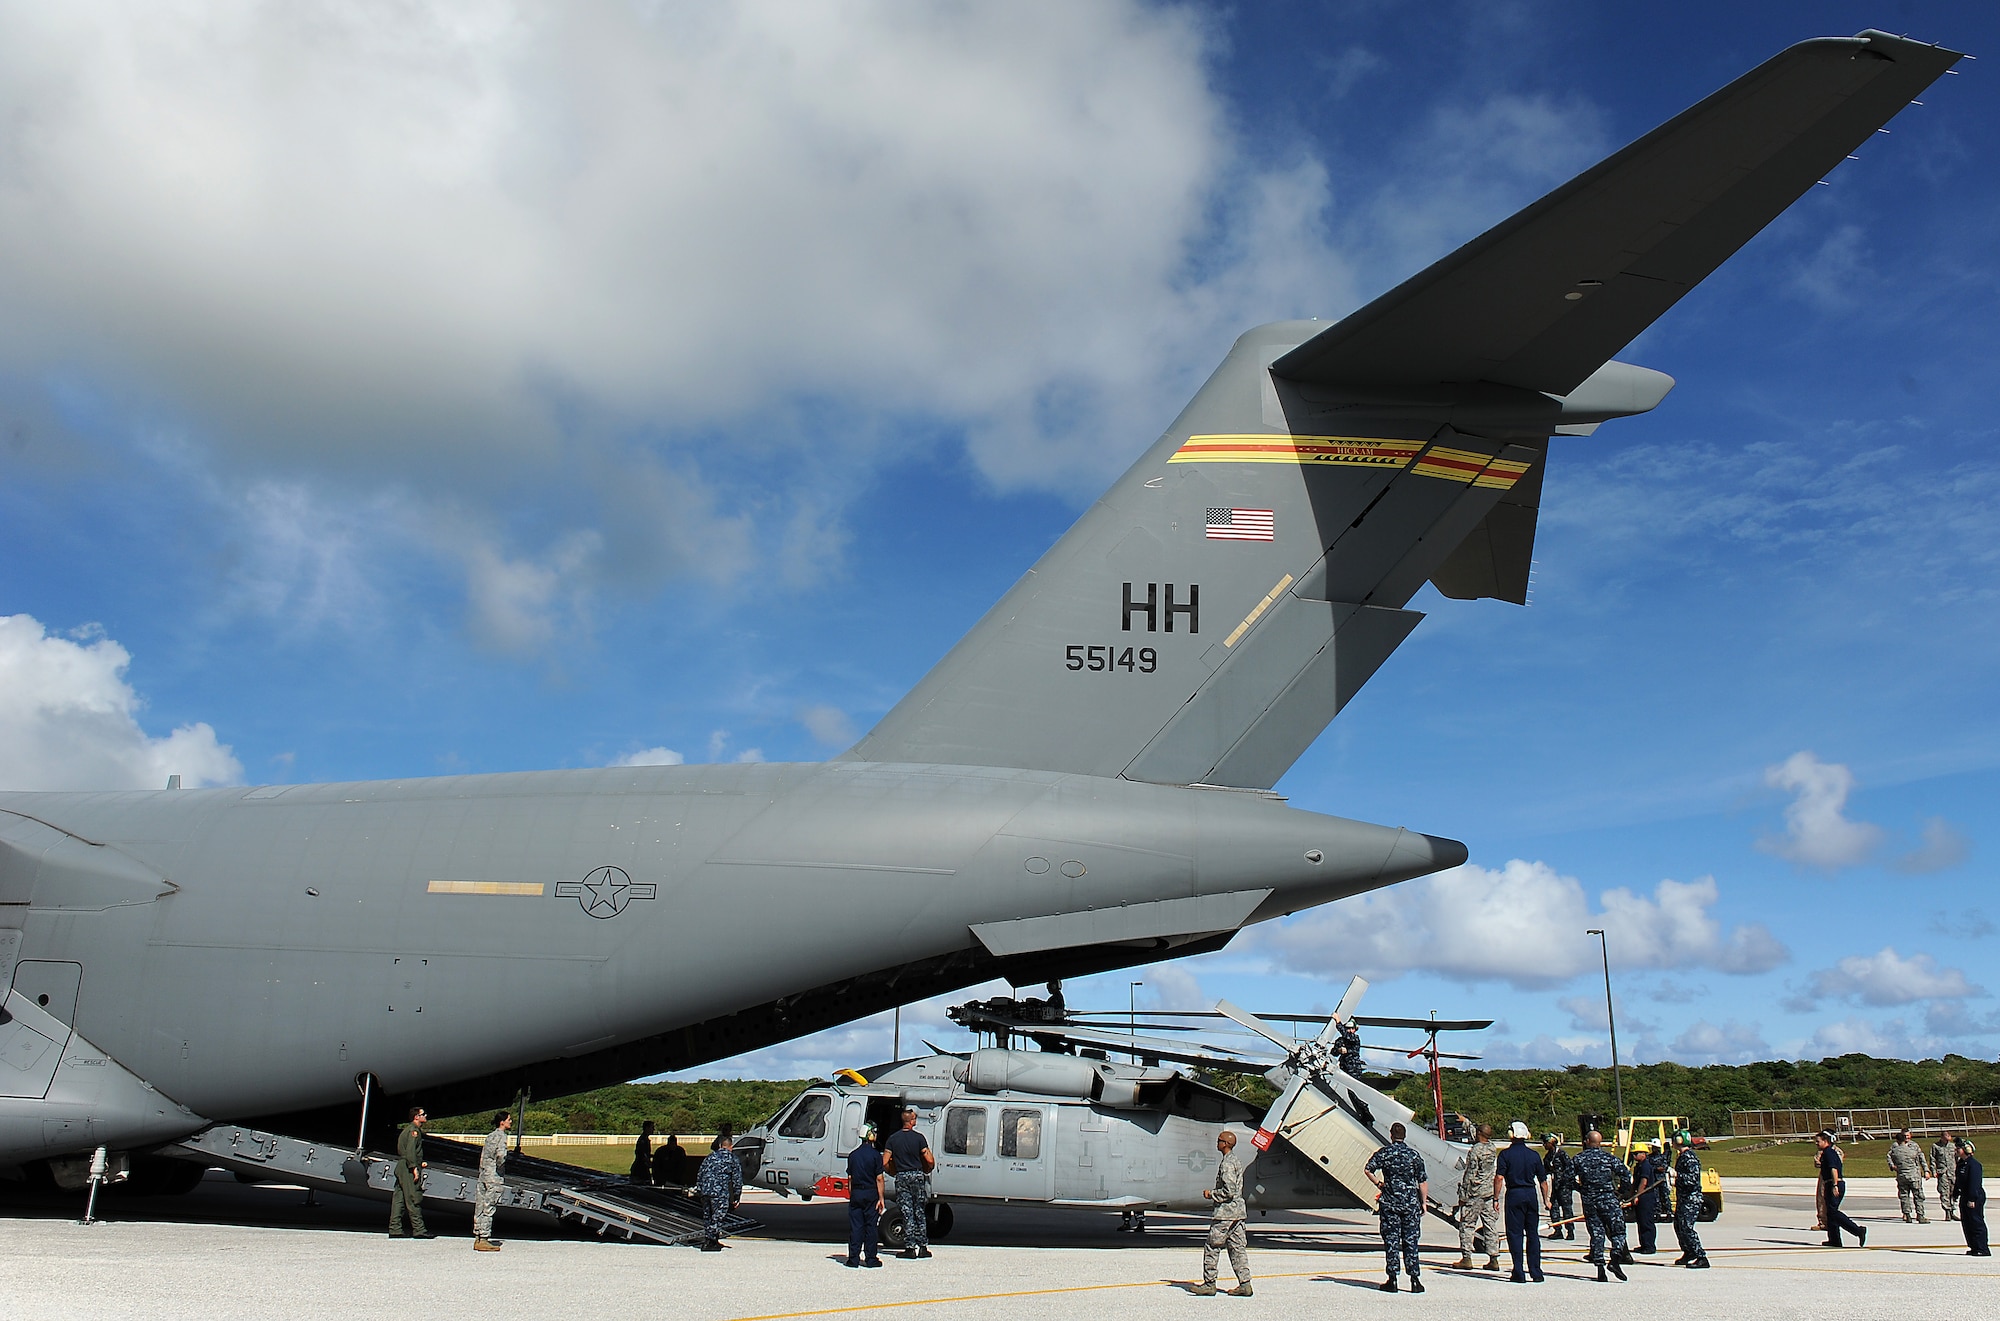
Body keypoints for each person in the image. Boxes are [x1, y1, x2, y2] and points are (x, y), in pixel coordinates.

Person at [1364, 1121, 1429, 1293]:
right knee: (1411, 1241)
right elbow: (1422, 1181)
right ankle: (1415, 1280)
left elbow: (1368, 1169)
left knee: (1392, 1241)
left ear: (1391, 1135)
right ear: (1404, 1136)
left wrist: (1380, 1184)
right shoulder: (1413, 1155)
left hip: (1390, 1203)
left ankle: (1392, 1279)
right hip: (1410, 1204)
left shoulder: (1385, 1153)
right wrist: (1423, 1202)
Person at [1192, 1130, 1253, 1296]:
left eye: (1219, 1140)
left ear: (1226, 1144)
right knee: (1237, 1249)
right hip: (1238, 1214)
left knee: (1212, 1247)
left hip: (1225, 1214)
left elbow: (1229, 1191)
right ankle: (1245, 1284)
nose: (1217, 1142)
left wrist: (1211, 1194)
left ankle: (1209, 1284)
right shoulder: (1236, 1160)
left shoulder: (1227, 1164)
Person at [1572, 1129, 1631, 1283]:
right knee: (1618, 1231)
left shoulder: (1579, 1159)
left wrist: (1581, 1189)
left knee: (1597, 1233)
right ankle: (1615, 1259)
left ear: (1586, 1142)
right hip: (1608, 1199)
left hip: (1590, 1201)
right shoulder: (1608, 1158)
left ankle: (1600, 1269)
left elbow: (1567, 1178)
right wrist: (1621, 1192)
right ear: (1600, 1143)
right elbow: (1625, 1174)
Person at [1495, 1120, 1547, 1283]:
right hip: (1530, 1194)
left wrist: (1495, 1198)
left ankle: (1518, 1271)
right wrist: (1546, 1200)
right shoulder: (1534, 1155)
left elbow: (1499, 1178)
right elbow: (1543, 1181)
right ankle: (1536, 1272)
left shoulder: (1505, 1155)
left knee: (1515, 1234)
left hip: (1514, 1193)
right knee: (1533, 1234)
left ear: (1511, 1135)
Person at [885, 1107, 935, 1259]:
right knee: (919, 1210)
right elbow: (929, 1160)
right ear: (911, 1121)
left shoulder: (893, 1139)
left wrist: (893, 1172)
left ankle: (910, 1248)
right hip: (917, 1175)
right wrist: (927, 1169)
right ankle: (923, 1247)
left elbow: (885, 1162)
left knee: (906, 1212)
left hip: (902, 1176)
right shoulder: (919, 1138)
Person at [1453, 1123, 1501, 1271]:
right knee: (1490, 1226)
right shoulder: (1492, 1147)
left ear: (1479, 1133)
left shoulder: (1475, 1151)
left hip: (1474, 1194)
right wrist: (1466, 1123)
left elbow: (1470, 1174)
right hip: (1489, 1193)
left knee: (1467, 1225)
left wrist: (1463, 1195)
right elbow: (1479, 1134)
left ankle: (1466, 1258)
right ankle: (1493, 1258)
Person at [845, 1121, 886, 1268]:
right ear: (870, 1135)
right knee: (870, 1226)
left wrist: (852, 1195)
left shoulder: (853, 1155)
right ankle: (871, 1258)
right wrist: (881, 1198)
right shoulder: (876, 1155)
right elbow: (879, 1178)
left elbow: (850, 1178)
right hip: (870, 1193)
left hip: (856, 1192)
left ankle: (853, 1259)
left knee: (856, 1227)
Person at [1815, 1129, 1866, 1248]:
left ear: (1825, 1141)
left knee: (1833, 1212)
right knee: (1830, 1213)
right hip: (1829, 1183)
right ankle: (1834, 1240)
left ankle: (1858, 1230)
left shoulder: (1829, 1153)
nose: (1816, 1144)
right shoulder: (1827, 1152)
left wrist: (1835, 1185)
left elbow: (1834, 1169)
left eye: (1818, 1141)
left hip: (1834, 1183)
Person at [388, 1105, 432, 1239]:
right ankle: (419, 1229)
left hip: (402, 1166)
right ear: (416, 1117)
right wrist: (414, 1168)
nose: (425, 1116)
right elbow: (411, 1151)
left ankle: (395, 1228)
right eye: (423, 1114)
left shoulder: (408, 1130)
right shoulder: (414, 1132)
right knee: (413, 1197)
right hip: (408, 1167)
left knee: (399, 1199)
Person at [1669, 1132, 1710, 1268]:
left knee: (1687, 1227)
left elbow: (1693, 1179)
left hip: (1691, 1198)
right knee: (1678, 1225)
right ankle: (1689, 1251)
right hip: (1683, 1197)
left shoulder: (1689, 1157)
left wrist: (1677, 1176)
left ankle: (1701, 1256)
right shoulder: (1681, 1156)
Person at [696, 1134, 744, 1251]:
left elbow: (700, 1174)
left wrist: (699, 1190)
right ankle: (710, 1241)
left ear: (720, 1146)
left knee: (708, 1216)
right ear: (730, 1147)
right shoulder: (732, 1158)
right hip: (719, 1192)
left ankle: (710, 1239)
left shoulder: (710, 1157)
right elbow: (737, 1180)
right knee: (718, 1217)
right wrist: (736, 1196)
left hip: (705, 1191)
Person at [473, 1111, 510, 1251]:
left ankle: (477, 1236)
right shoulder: (502, 1137)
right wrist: (500, 1167)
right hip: (494, 1175)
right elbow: (501, 1156)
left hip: (484, 1173)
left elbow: (483, 1156)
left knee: (480, 1206)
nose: (510, 1122)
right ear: (502, 1122)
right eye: (509, 1119)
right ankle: (484, 1238)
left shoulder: (490, 1136)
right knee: (489, 1207)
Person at [1887, 1128, 1931, 1224]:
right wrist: (1892, 1165)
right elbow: (1918, 1157)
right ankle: (1919, 1215)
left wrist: (1926, 1170)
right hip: (1913, 1175)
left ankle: (1908, 1215)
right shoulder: (1910, 1150)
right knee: (1918, 1196)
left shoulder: (1897, 1150)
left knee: (1904, 1196)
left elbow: (1889, 1156)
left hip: (1902, 1175)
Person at [1957, 1138, 1989, 1256]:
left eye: (1959, 1148)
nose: (1956, 1150)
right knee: (1967, 1223)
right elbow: (1959, 1180)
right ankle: (1974, 1247)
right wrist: (1955, 1193)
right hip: (1965, 1195)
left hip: (1974, 1197)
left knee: (1976, 1222)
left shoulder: (1974, 1165)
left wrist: (1972, 1199)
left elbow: (1974, 1183)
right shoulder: (1961, 1164)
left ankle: (1982, 1248)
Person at [1629, 1141, 1661, 1255]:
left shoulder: (1646, 1166)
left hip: (1646, 1196)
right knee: (1641, 1221)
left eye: (1636, 1153)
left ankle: (1649, 1246)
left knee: (1646, 1222)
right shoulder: (1638, 1166)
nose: (1634, 1156)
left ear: (1643, 1154)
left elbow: (1644, 1182)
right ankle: (1643, 1244)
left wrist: (1637, 1196)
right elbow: (1635, 1182)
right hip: (1640, 1195)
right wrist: (1631, 1194)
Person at [1543, 1134, 1576, 1240]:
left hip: (1564, 1187)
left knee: (1567, 1209)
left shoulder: (1562, 1154)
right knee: (1553, 1208)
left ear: (1551, 1143)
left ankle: (1570, 1231)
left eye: (1545, 1143)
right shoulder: (1548, 1157)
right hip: (1555, 1187)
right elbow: (1545, 1171)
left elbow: (1570, 1169)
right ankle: (1557, 1230)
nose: (1544, 1145)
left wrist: (1565, 1180)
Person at [1934, 1130, 1961, 1223]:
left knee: (1954, 1192)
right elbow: (1933, 1159)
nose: (1948, 1139)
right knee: (1944, 1192)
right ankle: (1947, 1212)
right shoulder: (1936, 1146)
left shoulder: (1953, 1146)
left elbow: (1957, 1158)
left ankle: (1952, 1210)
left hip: (1952, 1172)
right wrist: (1933, 1171)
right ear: (1942, 1137)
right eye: (1946, 1137)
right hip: (1943, 1173)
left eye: (1949, 1137)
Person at [632, 1120, 656, 1184]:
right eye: (652, 1127)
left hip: (641, 1167)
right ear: (647, 1128)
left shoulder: (644, 1139)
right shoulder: (643, 1140)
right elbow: (641, 1154)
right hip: (640, 1168)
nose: (653, 1129)